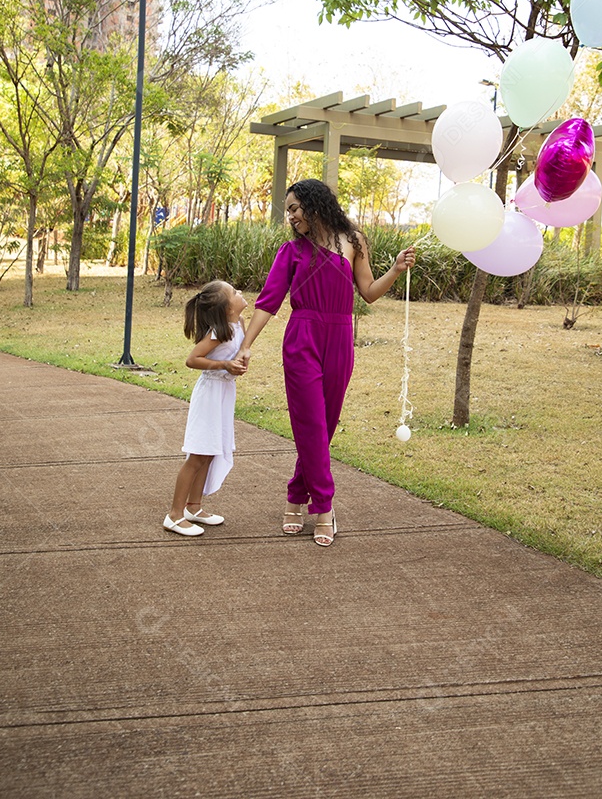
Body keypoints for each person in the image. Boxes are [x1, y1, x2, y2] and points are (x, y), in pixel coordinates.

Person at [235, 179, 415, 547]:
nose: (291, 216)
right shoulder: (290, 252)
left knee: (325, 425)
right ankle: (324, 506)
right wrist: (247, 345)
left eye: (295, 208)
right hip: (302, 338)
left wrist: (395, 270)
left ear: (314, 204)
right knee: (311, 424)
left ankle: (295, 494)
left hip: (339, 338)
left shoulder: (354, 240)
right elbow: (268, 302)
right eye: (289, 210)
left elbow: (367, 293)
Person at [163, 281, 247, 537]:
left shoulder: (239, 324)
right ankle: (174, 515)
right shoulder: (218, 332)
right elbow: (192, 360)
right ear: (225, 308)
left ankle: (194, 507)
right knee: (198, 455)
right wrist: (224, 365)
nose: (240, 293)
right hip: (209, 394)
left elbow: (240, 351)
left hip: (223, 394)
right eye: (234, 293)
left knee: (211, 451)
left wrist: (239, 362)